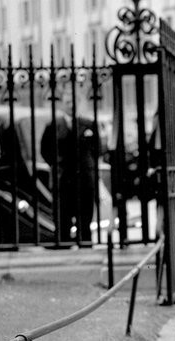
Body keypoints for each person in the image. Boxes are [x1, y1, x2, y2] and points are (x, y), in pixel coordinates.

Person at [41, 93, 101, 248]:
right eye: (68, 102)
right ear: (62, 104)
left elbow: (97, 149)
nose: (71, 105)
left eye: (74, 102)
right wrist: (58, 165)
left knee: (85, 220)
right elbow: (45, 151)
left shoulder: (89, 124)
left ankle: (85, 247)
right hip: (63, 181)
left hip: (84, 180)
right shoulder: (53, 126)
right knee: (62, 220)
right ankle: (63, 247)